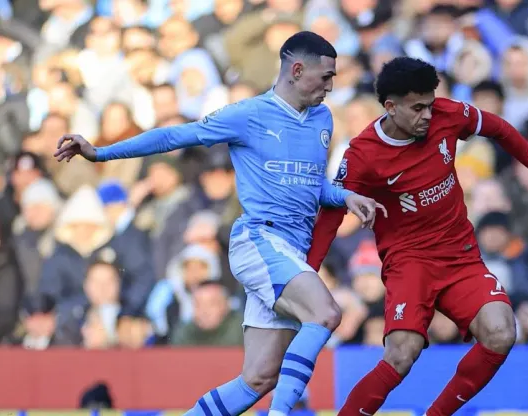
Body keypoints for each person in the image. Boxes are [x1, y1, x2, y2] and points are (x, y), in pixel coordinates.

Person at [54, 31, 384, 416]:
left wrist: (346, 197)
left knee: (260, 378)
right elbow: (175, 136)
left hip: (290, 251)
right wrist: (101, 153)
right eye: (325, 77)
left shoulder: (323, 119)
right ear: (296, 70)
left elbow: (309, 185)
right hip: (260, 239)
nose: (331, 86)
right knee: (326, 313)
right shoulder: (249, 115)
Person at [307, 57, 528, 416]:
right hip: (410, 262)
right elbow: (330, 219)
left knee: (501, 332)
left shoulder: (447, 114)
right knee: (401, 354)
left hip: (461, 256)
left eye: (430, 105)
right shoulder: (362, 155)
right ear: (390, 107)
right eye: (418, 108)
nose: (428, 115)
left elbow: (500, 129)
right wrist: (307, 274)